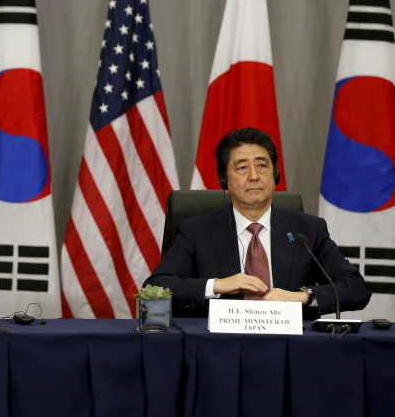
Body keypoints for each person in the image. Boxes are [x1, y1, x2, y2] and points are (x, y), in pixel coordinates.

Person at [145, 127, 370, 318]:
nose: (254, 176)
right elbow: (156, 287)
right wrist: (216, 285)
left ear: (275, 175)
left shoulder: (307, 230)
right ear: (225, 180)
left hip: (292, 349)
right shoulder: (197, 231)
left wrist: (302, 296)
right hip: (222, 348)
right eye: (242, 168)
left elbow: (356, 288)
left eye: (262, 166)